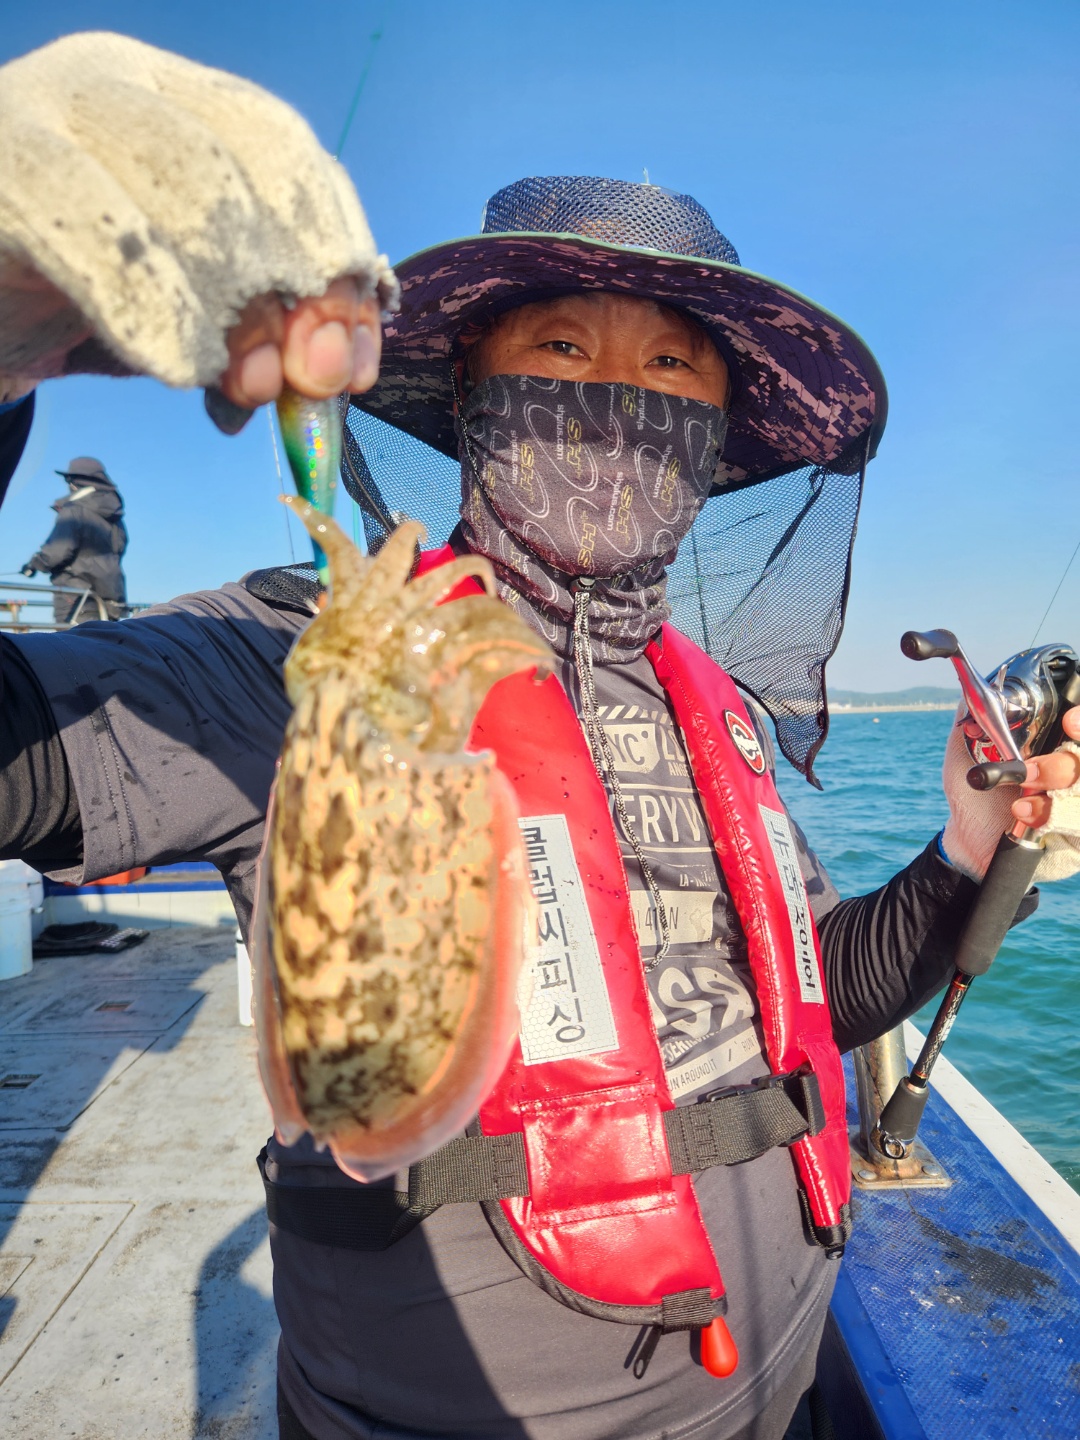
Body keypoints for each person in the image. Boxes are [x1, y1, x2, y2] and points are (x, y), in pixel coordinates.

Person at [3, 33, 1080, 1440]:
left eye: (672, 369)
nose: (618, 405)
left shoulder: (715, 713)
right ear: (471, 394)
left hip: (781, 1384)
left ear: (718, 439)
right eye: (563, 348)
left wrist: (965, 852)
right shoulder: (312, 657)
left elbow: (812, 994)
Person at [20, 455, 128, 623]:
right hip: (111, 596)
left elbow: (57, 552)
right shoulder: (115, 518)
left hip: (76, 594)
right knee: (104, 640)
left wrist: (34, 564)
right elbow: (120, 548)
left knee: (72, 639)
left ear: (74, 483)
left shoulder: (74, 510)